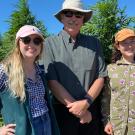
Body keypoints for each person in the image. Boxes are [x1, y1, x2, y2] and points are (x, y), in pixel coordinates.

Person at [42, 0, 107, 135]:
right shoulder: (48, 43)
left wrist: (86, 104)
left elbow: (101, 77)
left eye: (78, 15)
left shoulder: (94, 43)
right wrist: (80, 112)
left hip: (90, 110)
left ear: (83, 19)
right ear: (62, 17)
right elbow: (51, 81)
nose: (73, 18)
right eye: (68, 13)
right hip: (62, 112)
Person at [0, 25, 60, 135]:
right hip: (23, 130)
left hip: (47, 123)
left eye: (37, 41)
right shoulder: (4, 70)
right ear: (18, 43)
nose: (31, 44)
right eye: (26, 40)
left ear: (41, 46)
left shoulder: (40, 71)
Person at [101, 28, 135, 135]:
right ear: (118, 46)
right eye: (125, 43)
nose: (129, 46)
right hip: (117, 127)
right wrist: (106, 121)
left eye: (132, 42)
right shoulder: (110, 69)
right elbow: (106, 98)